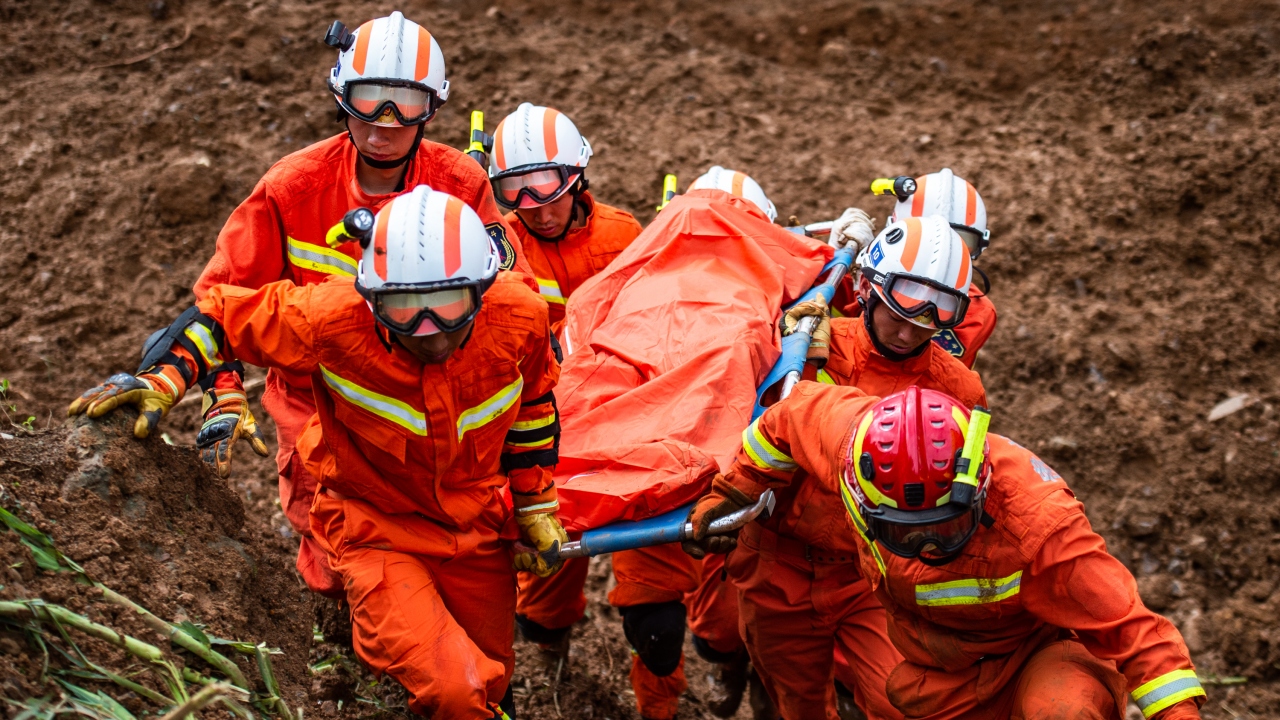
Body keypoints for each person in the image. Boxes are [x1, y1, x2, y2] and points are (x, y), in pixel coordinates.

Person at [70, 187, 566, 719]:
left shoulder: (521, 316)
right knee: (454, 689)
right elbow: (220, 317)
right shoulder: (331, 318)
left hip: (479, 529)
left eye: (448, 306)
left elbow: (534, 407)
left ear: (483, 288)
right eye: (404, 309)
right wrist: (166, 374)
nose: (431, 334)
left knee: (491, 673)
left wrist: (536, 505)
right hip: (378, 529)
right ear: (371, 296)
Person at [187, 11, 532, 596]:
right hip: (313, 403)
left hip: (432, 392)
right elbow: (220, 299)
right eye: (366, 101)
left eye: (405, 105)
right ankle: (342, 655)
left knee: (455, 543)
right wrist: (222, 390)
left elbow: (506, 296)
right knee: (331, 551)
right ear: (340, 96)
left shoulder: (462, 184)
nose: (382, 124)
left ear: (433, 107)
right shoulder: (291, 188)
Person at [688, 384, 1206, 720]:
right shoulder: (852, 441)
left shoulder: (1039, 525)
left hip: (1034, 658)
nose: (927, 545)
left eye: (946, 523)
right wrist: (736, 489)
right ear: (856, 492)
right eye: (903, 532)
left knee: (1063, 712)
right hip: (942, 672)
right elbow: (785, 418)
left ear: (978, 488)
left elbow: (1138, 635)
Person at [687, 215, 988, 719]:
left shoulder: (959, 390)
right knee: (798, 706)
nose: (911, 326)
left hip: (873, 571)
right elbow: (757, 424)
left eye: (933, 314)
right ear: (869, 285)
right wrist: (727, 493)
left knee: (901, 703)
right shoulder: (806, 348)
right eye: (902, 305)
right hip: (777, 563)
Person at [489, 103, 643, 337]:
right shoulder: (503, 246)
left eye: (554, 200)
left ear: (576, 184)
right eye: (527, 206)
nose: (543, 217)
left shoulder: (625, 234)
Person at [866, 168, 996, 368]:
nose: (944, 247)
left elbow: (932, 370)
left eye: (961, 239)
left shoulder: (977, 315)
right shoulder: (861, 274)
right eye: (922, 235)